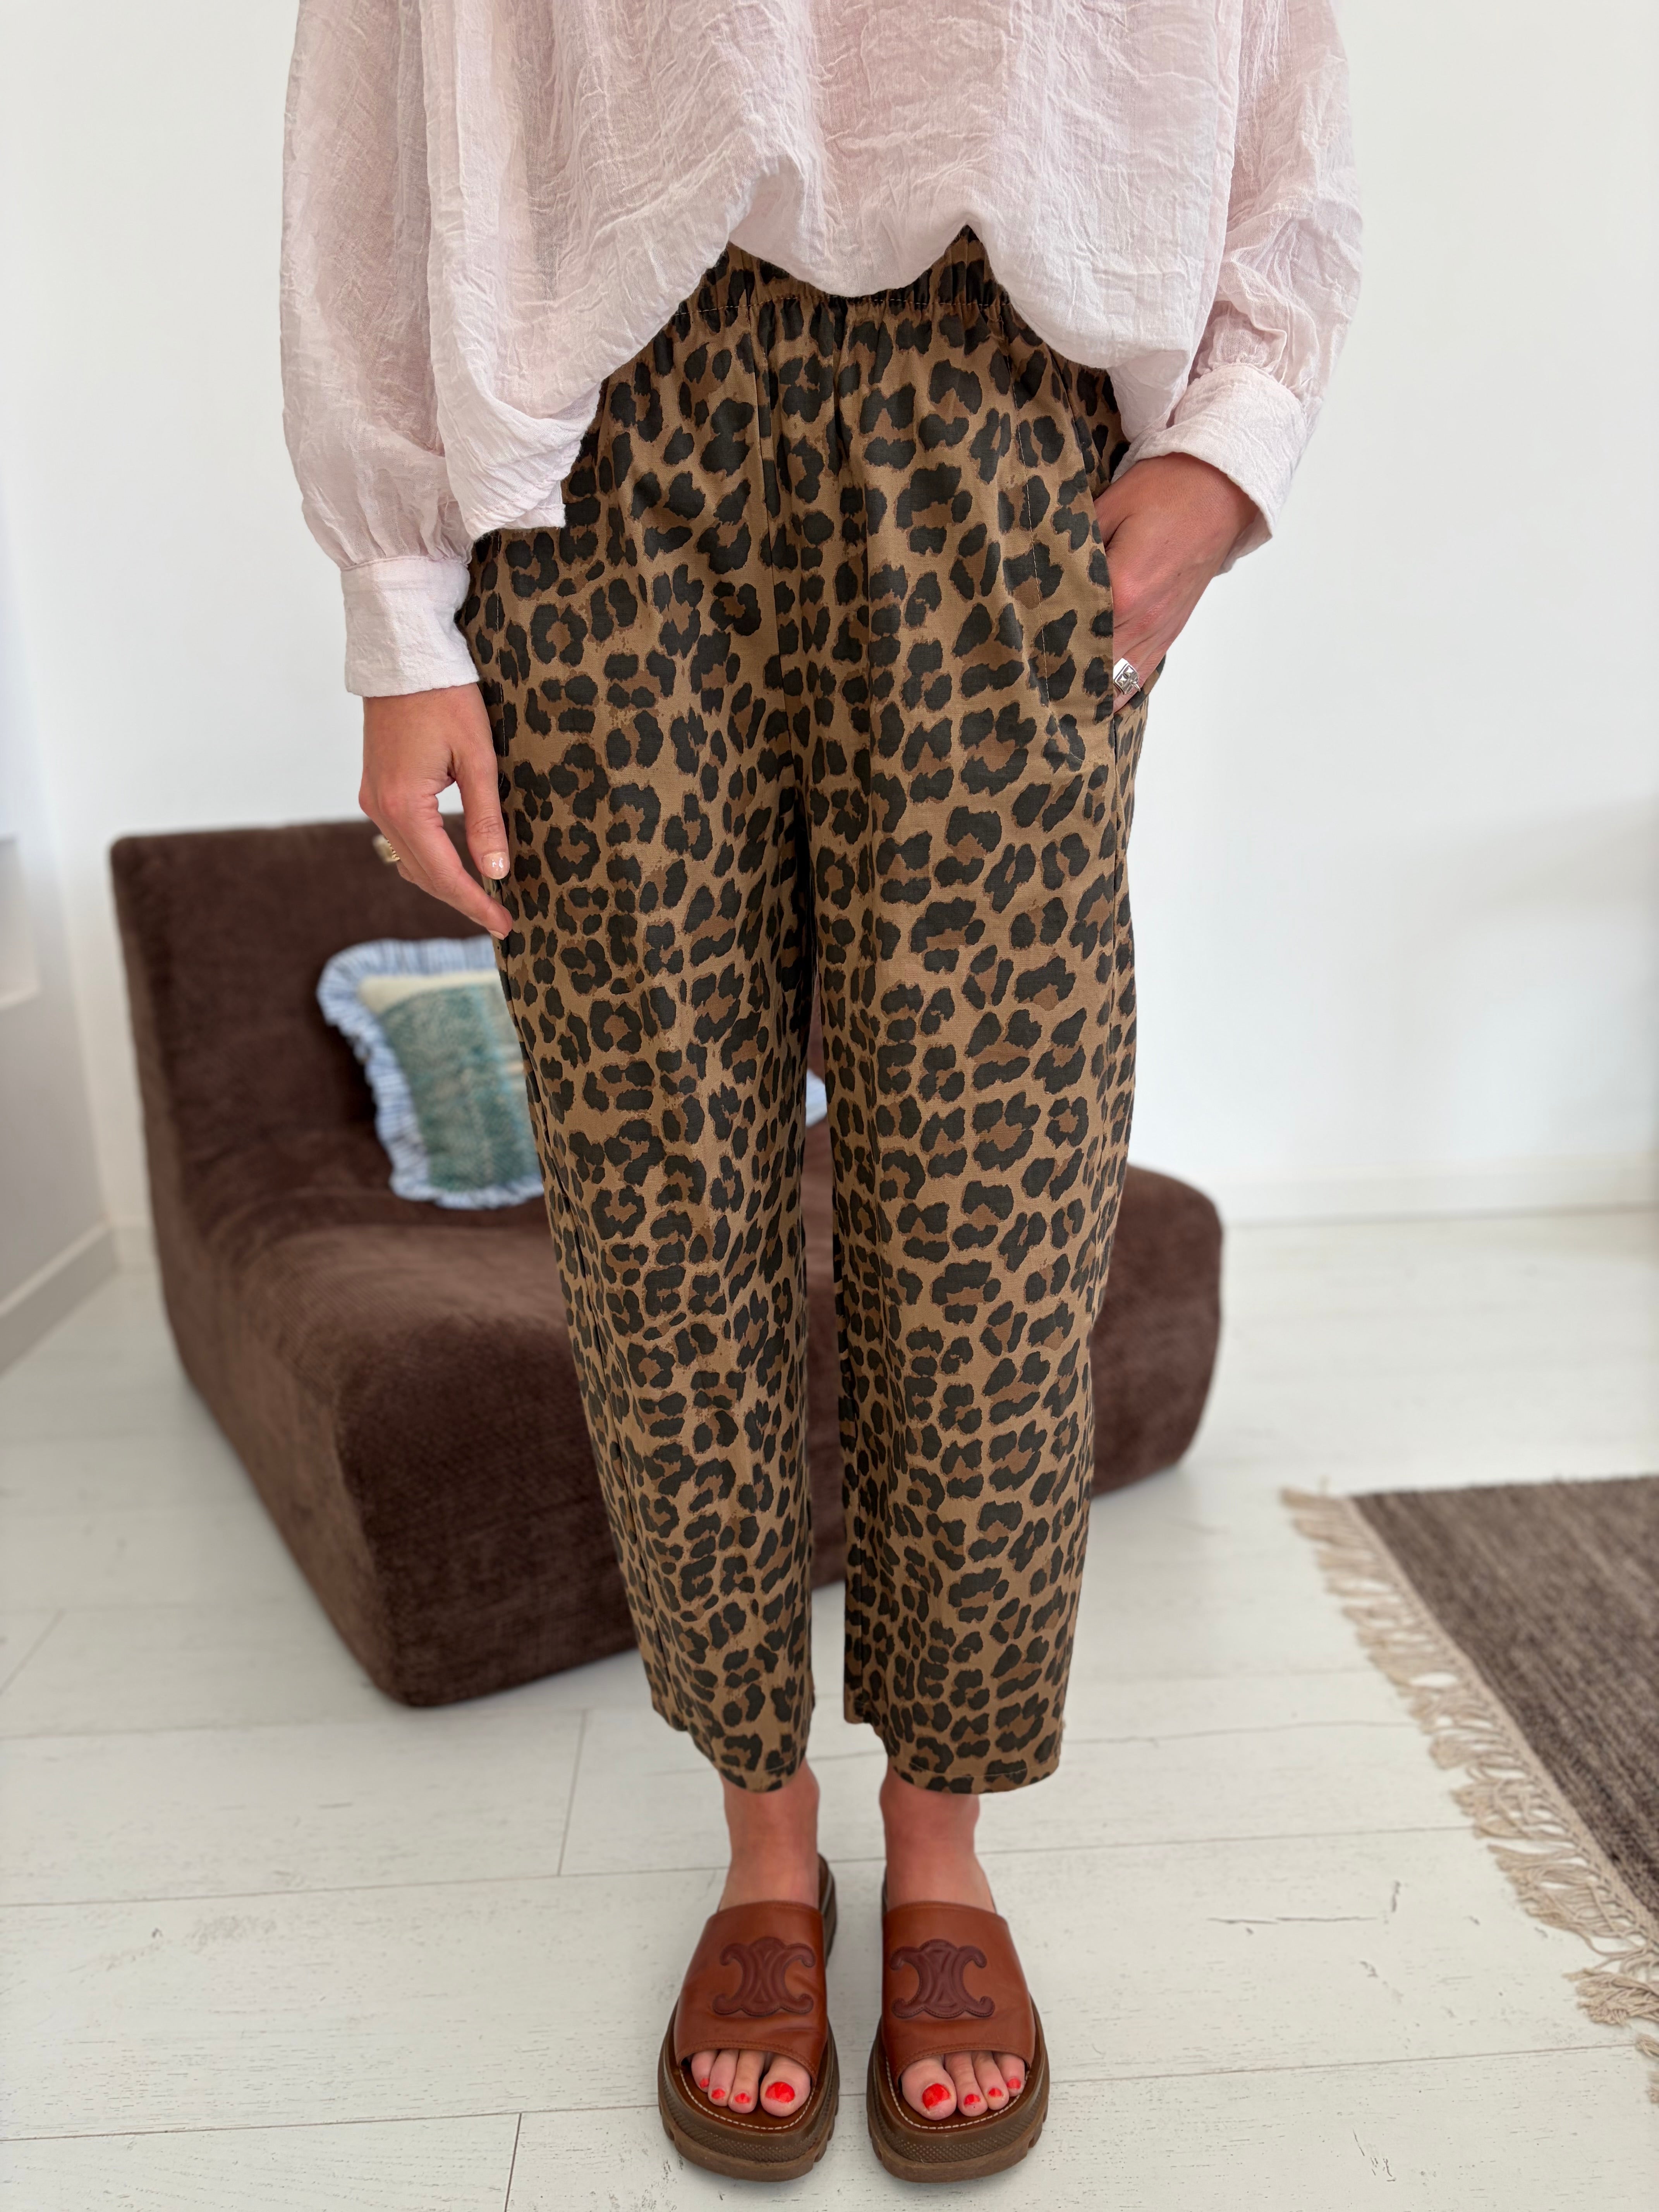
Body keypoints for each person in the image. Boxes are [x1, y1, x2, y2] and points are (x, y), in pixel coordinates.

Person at [282, 1, 1360, 2183]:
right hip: (596, 442)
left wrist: (1235, 438)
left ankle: (941, 1854)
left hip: (998, 406)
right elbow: (379, 94)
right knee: (658, 1208)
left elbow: (1278, 66)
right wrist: (398, 599)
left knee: (993, 1205)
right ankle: (764, 1847)